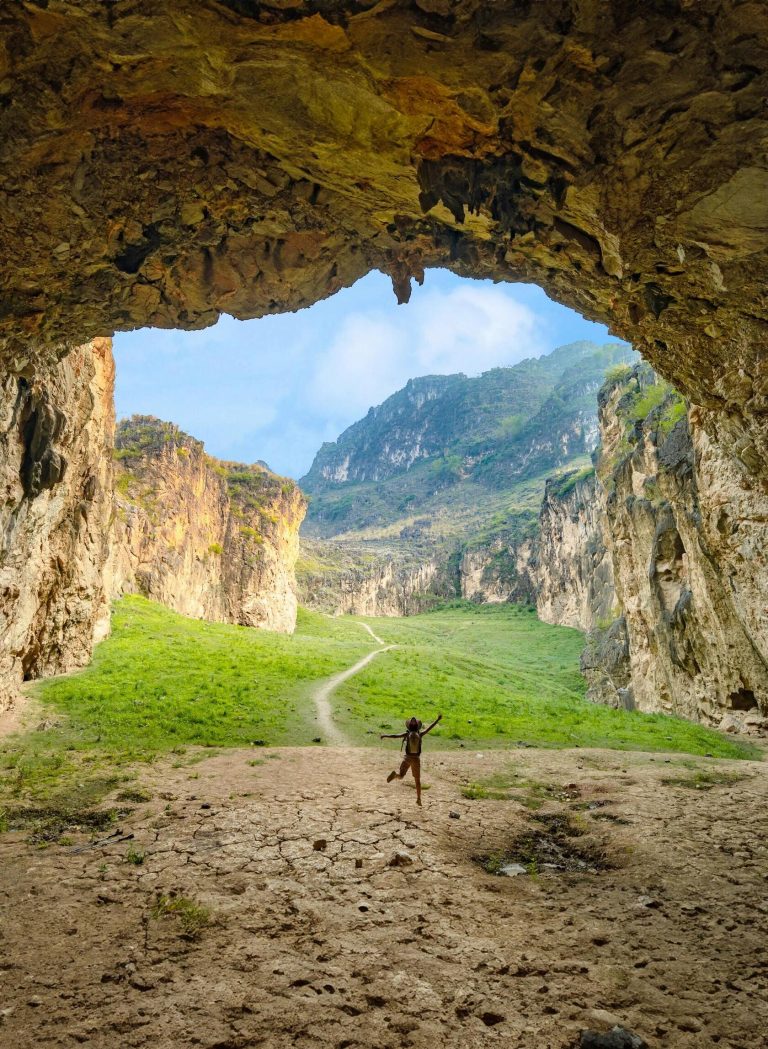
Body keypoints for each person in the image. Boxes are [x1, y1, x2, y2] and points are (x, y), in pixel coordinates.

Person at [381, 713, 442, 806]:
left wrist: (385, 735)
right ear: (418, 726)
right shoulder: (420, 734)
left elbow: (395, 736)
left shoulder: (407, 734)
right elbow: (430, 728)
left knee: (401, 776)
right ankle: (418, 799)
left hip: (407, 758)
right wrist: (437, 720)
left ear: (409, 726)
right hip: (416, 759)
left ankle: (395, 775)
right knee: (417, 780)